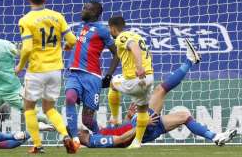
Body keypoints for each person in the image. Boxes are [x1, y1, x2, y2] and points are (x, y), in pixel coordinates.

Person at [78, 38, 238, 148]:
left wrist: (127, 116)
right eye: (78, 133)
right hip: (140, 128)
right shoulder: (95, 141)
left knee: (183, 116)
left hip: (141, 129)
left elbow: (118, 130)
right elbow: (121, 139)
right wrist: (142, 124)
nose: (80, 130)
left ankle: (216, 137)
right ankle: (190, 60)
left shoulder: (97, 132)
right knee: (161, 90)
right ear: (82, 139)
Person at [15, 0, 77, 154]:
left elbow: (27, 48)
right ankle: (65, 135)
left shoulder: (25, 20)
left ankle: (37, 145)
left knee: (29, 108)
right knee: (49, 108)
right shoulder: (57, 16)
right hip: (55, 70)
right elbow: (72, 40)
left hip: (36, 70)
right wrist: (67, 47)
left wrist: (20, 66)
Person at [64, 0, 119, 152]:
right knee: (69, 98)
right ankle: (75, 140)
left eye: (86, 8)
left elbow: (117, 54)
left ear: (94, 12)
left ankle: (102, 137)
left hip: (92, 77)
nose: (82, 10)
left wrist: (108, 76)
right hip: (74, 73)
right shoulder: (80, 27)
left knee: (87, 120)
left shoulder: (102, 30)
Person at [106, 16, 154, 149]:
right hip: (149, 78)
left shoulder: (122, 37)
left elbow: (133, 47)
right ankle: (137, 142)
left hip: (135, 79)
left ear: (112, 28)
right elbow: (148, 54)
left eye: (109, 28)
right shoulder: (138, 36)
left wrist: (139, 68)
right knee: (143, 110)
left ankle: (115, 118)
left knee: (112, 84)